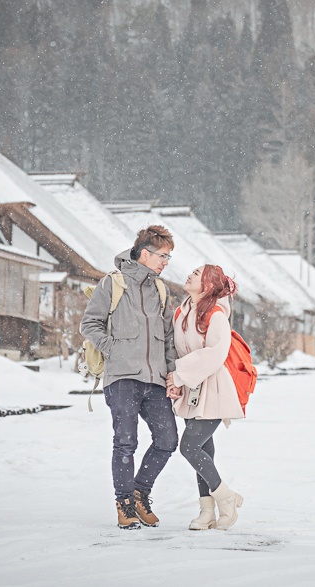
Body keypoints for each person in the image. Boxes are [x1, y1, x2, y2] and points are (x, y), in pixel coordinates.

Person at [80, 225, 178, 530]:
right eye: (163, 256)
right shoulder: (113, 283)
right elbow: (89, 323)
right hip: (122, 378)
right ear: (145, 254)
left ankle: (139, 493)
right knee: (125, 442)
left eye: (169, 257)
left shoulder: (160, 289)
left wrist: (171, 371)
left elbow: (168, 335)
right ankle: (123, 503)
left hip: (155, 379)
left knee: (167, 440)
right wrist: (114, 350)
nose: (166, 262)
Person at [165, 265, 245, 531]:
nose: (189, 274)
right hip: (193, 390)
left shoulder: (216, 314)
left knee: (189, 447)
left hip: (214, 389)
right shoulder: (182, 311)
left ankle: (227, 497)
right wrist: (176, 380)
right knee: (204, 450)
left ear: (208, 285)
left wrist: (179, 376)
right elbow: (177, 350)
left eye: (197, 273)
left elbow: (214, 354)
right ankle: (207, 511)